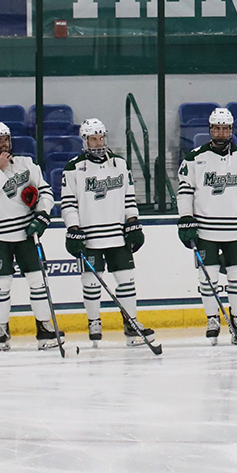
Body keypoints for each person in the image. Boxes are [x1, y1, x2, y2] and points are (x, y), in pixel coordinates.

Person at [0, 122, 61, 350]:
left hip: (26, 233)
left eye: (6, 139)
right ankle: (2, 328)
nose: (4, 144)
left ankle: (44, 327)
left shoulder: (26, 163)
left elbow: (46, 191)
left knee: (38, 281)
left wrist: (42, 214)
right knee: (0, 284)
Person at [60, 118, 152, 347]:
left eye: (101, 137)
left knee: (127, 279)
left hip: (117, 233)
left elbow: (129, 197)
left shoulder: (119, 164)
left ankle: (131, 324)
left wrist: (133, 223)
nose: (98, 142)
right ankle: (94, 322)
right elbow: (69, 203)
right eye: (93, 138)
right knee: (91, 282)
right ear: (85, 141)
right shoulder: (73, 168)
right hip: (89, 235)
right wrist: (73, 228)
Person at [177, 107, 237, 344]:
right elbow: (184, 191)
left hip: (236, 229)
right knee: (208, 277)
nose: (221, 132)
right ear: (210, 129)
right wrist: (186, 219)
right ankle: (212, 318)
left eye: (225, 128)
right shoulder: (194, 158)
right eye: (217, 128)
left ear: (232, 130)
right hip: (205, 229)